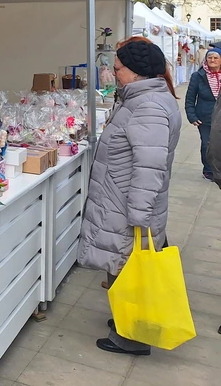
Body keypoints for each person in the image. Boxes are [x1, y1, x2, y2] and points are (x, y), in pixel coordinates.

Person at [79, 37, 181, 356]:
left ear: (136, 71)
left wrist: (139, 215)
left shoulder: (148, 106)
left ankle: (132, 337)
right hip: (121, 200)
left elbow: (149, 166)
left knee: (128, 268)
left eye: (118, 68)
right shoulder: (142, 98)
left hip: (128, 206)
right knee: (121, 266)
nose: (114, 73)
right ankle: (126, 322)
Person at [185, 47, 221, 180]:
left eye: (216, 58)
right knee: (207, 144)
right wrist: (192, 116)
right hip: (205, 117)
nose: (212, 60)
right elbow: (190, 98)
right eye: (209, 57)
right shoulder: (198, 76)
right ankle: (209, 170)